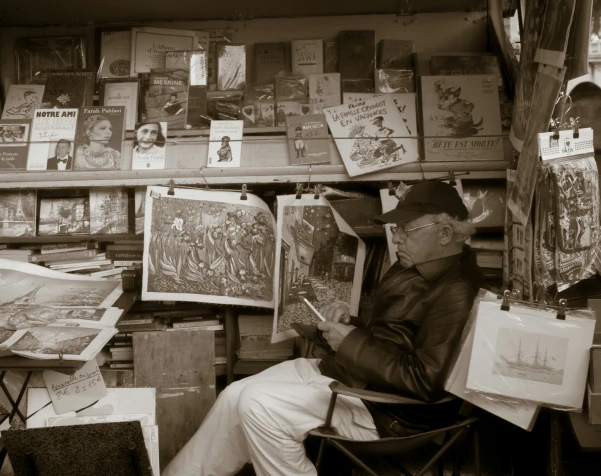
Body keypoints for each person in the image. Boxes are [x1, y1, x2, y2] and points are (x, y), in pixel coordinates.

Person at [164, 180, 485, 476]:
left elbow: (423, 380)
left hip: (389, 412)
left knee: (256, 404)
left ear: (444, 234)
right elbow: (393, 338)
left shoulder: (456, 291)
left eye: (406, 229)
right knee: (234, 395)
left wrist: (351, 341)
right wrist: (350, 325)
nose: (396, 236)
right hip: (355, 376)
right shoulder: (415, 267)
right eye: (397, 227)